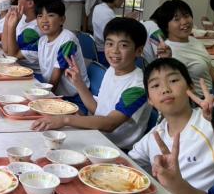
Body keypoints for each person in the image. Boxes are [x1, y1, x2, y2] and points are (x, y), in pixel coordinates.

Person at [32, 17, 151, 150]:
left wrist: (65, 119)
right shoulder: (112, 70)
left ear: (138, 51)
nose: (114, 51)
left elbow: (110, 124)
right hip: (97, 135)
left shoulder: (138, 87)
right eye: (110, 44)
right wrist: (78, 83)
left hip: (114, 149)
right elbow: (97, 110)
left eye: (123, 45)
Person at [129, 58, 214, 191]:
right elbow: (128, 163)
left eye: (173, 80)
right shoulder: (156, 134)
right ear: (150, 100)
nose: (165, 89)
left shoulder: (212, 122)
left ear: (190, 87)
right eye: (155, 85)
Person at [153, 0, 214, 96]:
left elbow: (211, 71)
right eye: (177, 19)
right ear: (166, 26)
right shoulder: (166, 51)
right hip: (199, 100)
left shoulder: (195, 41)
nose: (184, 21)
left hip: (213, 93)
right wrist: (167, 60)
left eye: (186, 16)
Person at [32, 0, 89, 102]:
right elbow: (16, 54)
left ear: (62, 19)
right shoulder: (42, 40)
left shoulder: (68, 40)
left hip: (74, 98)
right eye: (40, 16)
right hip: (54, 92)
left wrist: (42, 100)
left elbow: (56, 77)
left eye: (50, 15)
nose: (44, 20)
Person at [2, 0, 53, 74]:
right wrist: (7, 21)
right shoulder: (23, 17)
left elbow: (11, 56)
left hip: (33, 75)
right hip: (18, 69)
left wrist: (12, 26)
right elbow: (5, 48)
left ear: (30, 3)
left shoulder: (34, 30)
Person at [92, 0, 127, 65]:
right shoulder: (108, 13)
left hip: (97, 51)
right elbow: (115, 35)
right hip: (105, 55)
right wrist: (127, 21)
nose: (124, 0)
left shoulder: (98, 7)